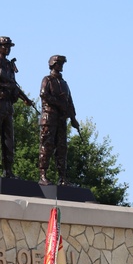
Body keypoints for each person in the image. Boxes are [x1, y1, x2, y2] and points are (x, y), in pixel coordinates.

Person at [0, 36, 33, 178]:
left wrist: (25, 99)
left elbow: (14, 86)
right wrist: (2, 85)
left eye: (9, 46)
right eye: (5, 46)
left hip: (7, 107)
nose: (7, 49)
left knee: (8, 141)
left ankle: (8, 171)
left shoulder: (9, 66)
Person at [38, 54, 80, 185]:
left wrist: (73, 118)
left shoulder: (64, 83)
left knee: (62, 148)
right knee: (47, 146)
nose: (60, 66)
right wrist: (58, 103)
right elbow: (44, 95)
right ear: (52, 64)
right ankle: (43, 175)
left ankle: (62, 177)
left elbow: (69, 102)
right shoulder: (48, 80)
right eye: (58, 64)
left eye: (62, 64)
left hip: (61, 119)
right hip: (49, 118)